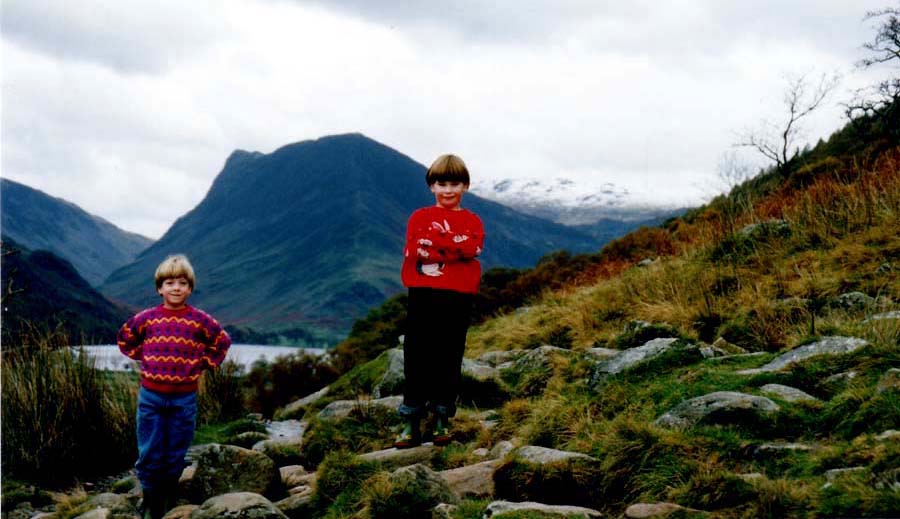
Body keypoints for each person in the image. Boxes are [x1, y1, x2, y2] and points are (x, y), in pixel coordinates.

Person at [117, 254, 231, 519]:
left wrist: (203, 363)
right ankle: (149, 497)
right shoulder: (148, 318)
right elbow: (124, 338)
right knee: (149, 450)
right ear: (160, 288)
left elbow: (222, 341)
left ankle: (167, 497)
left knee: (176, 451)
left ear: (190, 288)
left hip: (184, 399)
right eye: (170, 282)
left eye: (182, 282)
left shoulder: (200, 319)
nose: (176, 287)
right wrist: (145, 356)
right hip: (151, 397)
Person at [395, 154, 485, 448]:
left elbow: (474, 247)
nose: (448, 190)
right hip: (423, 295)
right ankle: (410, 422)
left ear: (466, 186)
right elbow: (416, 251)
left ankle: (442, 419)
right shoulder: (419, 217)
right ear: (431, 186)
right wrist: (455, 248)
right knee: (417, 355)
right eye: (441, 183)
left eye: (455, 183)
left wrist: (437, 245)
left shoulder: (472, 220)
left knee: (449, 355)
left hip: (459, 297)